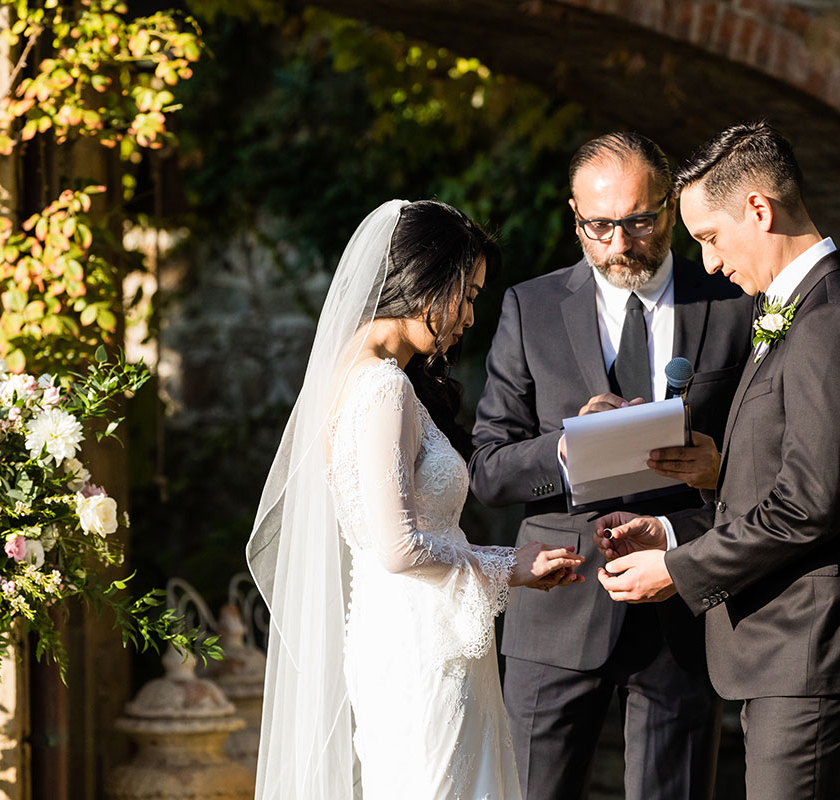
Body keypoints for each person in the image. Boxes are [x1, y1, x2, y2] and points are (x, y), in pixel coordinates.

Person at [592, 121, 840, 800]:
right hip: (790, 653)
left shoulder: (830, 321)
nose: (708, 263)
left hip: (813, 652)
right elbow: (790, 479)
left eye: (710, 237)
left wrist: (677, 569)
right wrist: (688, 514)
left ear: (759, 210)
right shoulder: (797, 308)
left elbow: (807, 507)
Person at [246, 199, 586, 800]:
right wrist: (515, 566)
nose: (471, 317)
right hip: (423, 648)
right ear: (426, 278)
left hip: (404, 633)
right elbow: (397, 547)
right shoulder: (382, 386)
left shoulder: (347, 373)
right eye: (468, 293)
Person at [469, 133, 757, 800]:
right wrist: (566, 449)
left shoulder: (731, 301)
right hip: (555, 603)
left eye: (639, 221)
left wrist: (717, 467)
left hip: (680, 606)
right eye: (599, 226)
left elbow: (768, 453)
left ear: (670, 207)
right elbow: (487, 468)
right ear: (574, 213)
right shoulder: (529, 308)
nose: (619, 244)